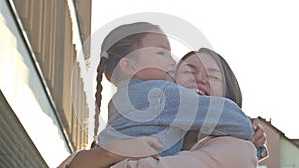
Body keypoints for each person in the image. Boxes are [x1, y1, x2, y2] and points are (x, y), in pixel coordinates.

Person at [58, 22, 259, 168]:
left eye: (213, 76)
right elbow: (224, 114)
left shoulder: (121, 100)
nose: (198, 79)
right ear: (129, 65)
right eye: (162, 53)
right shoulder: (164, 95)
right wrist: (248, 129)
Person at [176, 48, 268, 159]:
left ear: (227, 92)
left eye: (213, 76)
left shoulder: (235, 148)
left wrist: (251, 136)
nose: (199, 78)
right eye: (189, 71)